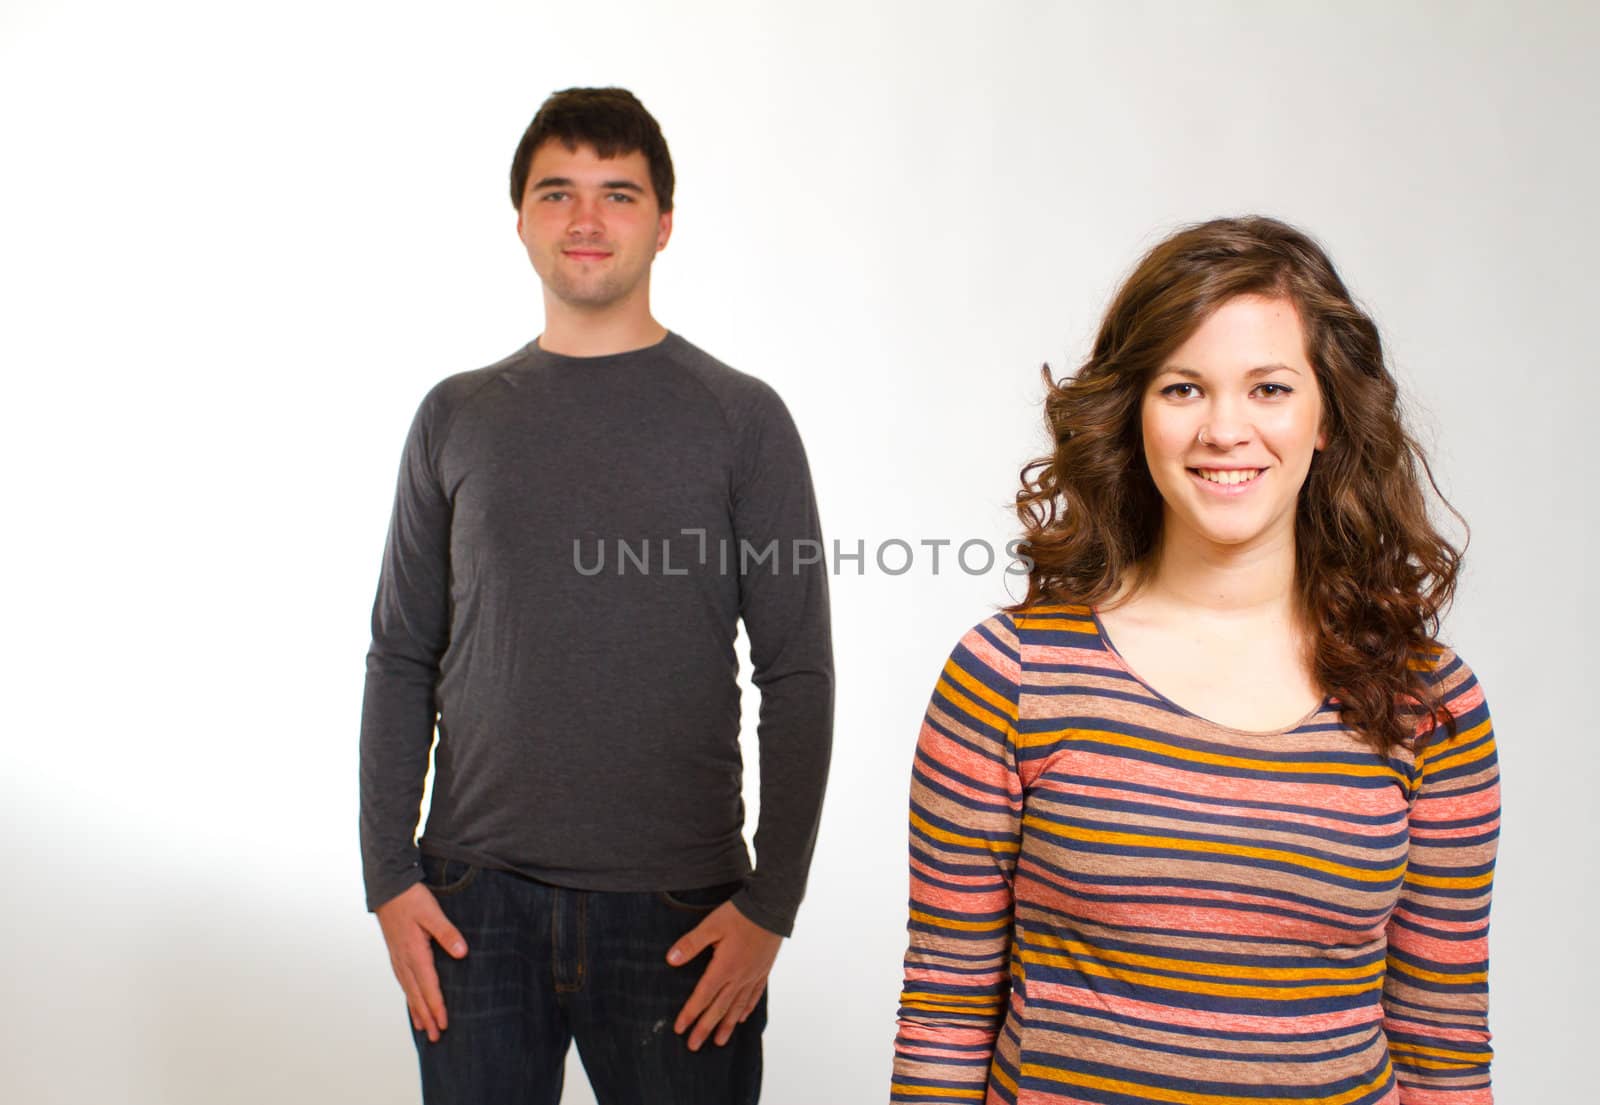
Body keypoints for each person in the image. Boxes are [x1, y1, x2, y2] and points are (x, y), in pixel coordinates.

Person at [892, 216, 1498, 1104]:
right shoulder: (1009, 677)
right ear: (1134, 414)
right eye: (1183, 388)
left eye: (1269, 389)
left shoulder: (1430, 703)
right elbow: (946, 1010)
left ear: (1327, 416)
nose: (1225, 429)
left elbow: (1442, 1041)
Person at [360, 87, 833, 1105]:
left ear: (664, 224)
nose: (585, 221)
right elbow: (401, 652)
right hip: (472, 901)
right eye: (556, 193)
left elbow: (795, 671)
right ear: (521, 221)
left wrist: (771, 904)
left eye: (617, 194)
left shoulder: (742, 419)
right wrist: (388, 878)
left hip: (679, 911)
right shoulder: (456, 416)